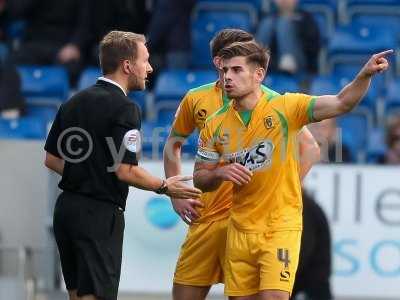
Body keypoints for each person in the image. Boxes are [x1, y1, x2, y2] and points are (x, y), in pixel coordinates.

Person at [194, 40, 391, 300]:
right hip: (240, 229)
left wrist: (364, 75)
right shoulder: (214, 124)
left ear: (258, 74)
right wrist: (219, 173)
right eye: (224, 71)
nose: (227, 77)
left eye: (237, 70)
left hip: (280, 226)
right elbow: (200, 177)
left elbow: (342, 103)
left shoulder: (285, 107)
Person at [44, 31, 202, 300]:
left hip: (67, 210)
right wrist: (163, 186)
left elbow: (51, 158)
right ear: (127, 66)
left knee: (78, 295)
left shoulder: (72, 102)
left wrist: (86, 176)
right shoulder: (125, 109)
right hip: (99, 216)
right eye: (145, 60)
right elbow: (125, 169)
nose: (149, 68)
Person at [164, 29, 320, 300]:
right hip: (208, 217)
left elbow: (311, 148)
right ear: (219, 63)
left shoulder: (270, 99)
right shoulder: (196, 99)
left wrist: (280, 190)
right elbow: (172, 144)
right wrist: (174, 193)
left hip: (250, 221)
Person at [256, 0, 320, 76]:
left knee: (283, 23)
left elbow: (313, 45)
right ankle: (256, 61)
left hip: (299, 61)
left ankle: (288, 60)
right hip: (272, 62)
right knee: (267, 22)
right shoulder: (267, 17)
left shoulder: (305, 17)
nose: (284, 1)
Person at [291, 189, 332, 300]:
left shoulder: (304, 209)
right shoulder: (306, 207)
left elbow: (302, 251)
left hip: (309, 285)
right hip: (309, 282)